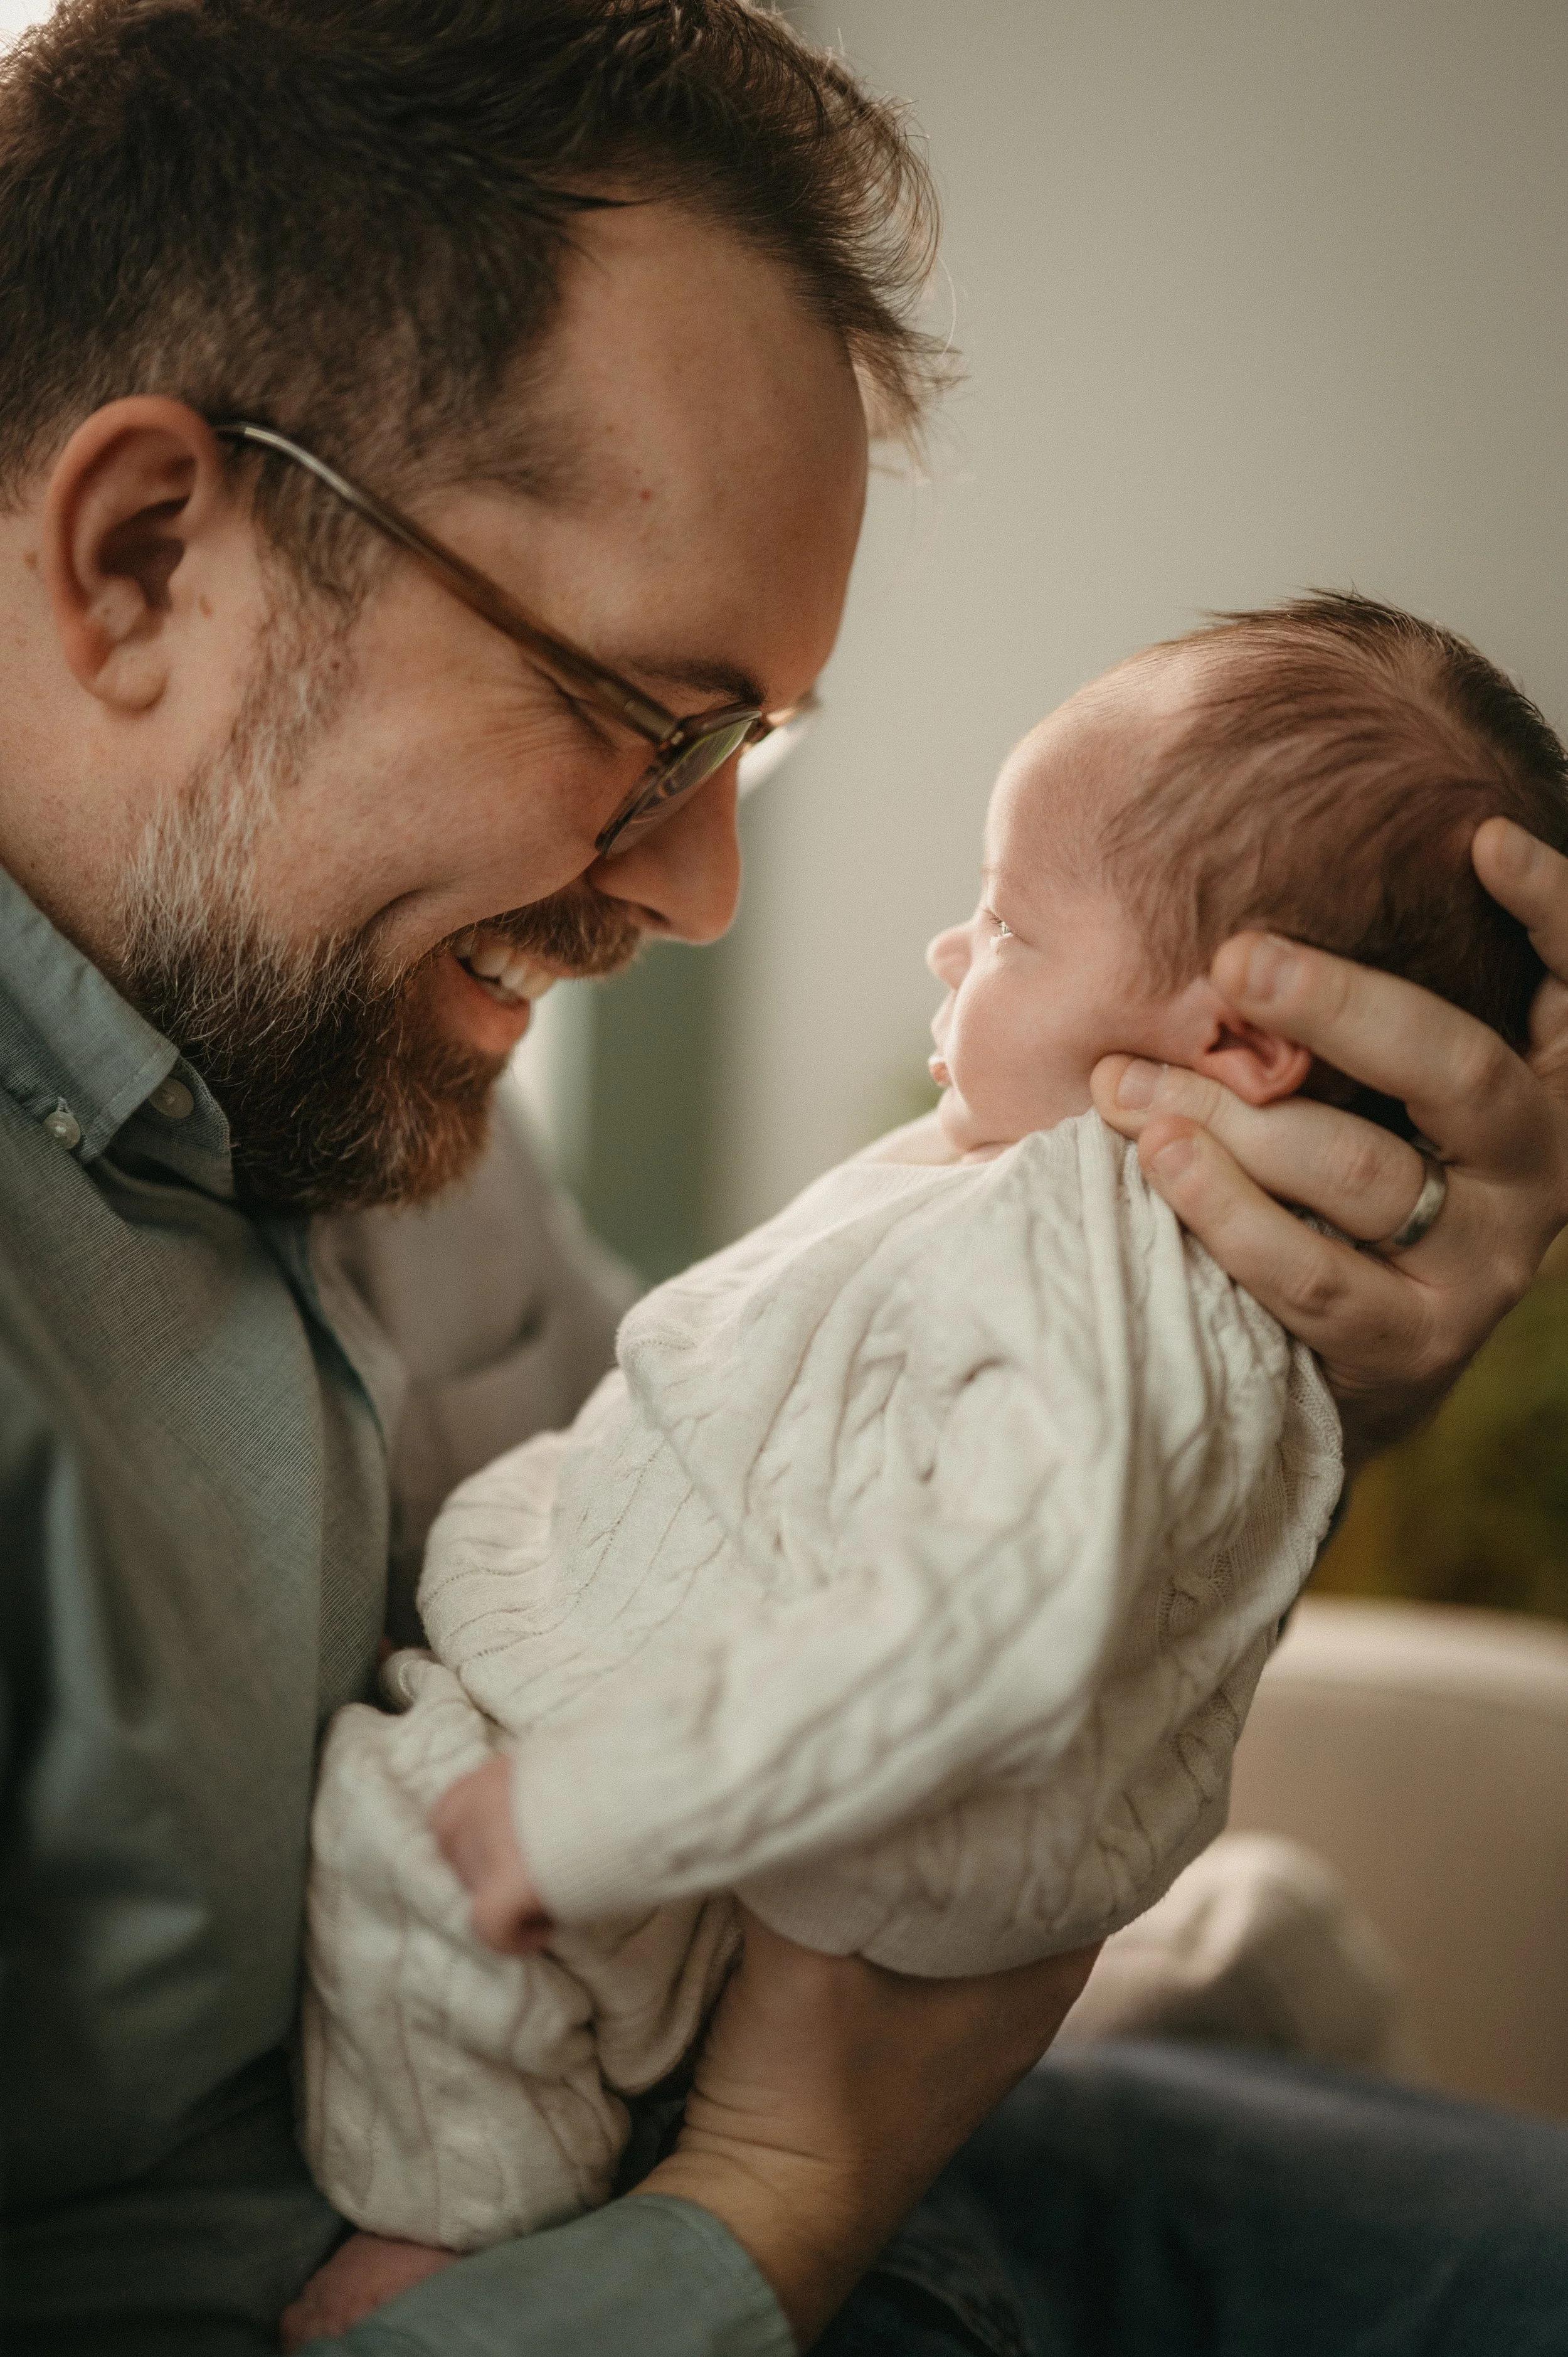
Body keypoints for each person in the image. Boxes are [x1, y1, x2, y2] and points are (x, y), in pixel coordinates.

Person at [1, 5, 1565, 2354]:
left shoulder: (369, 1057)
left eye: (754, 745)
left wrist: (1300, 1356)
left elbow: (817, 1493)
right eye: (646, 716)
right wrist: (777, 2197)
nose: (709, 885)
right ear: (142, 554)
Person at [289, 592, 1560, 2324]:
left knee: (411, 1860)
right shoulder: (1037, 1191)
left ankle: (449, 2236)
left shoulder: (1089, 1246)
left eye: (1006, 926)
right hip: (771, 1958)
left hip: (691, 1831)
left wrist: (598, 1806)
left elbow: (989, 1607)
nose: (951, 956)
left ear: (1236, 1046)